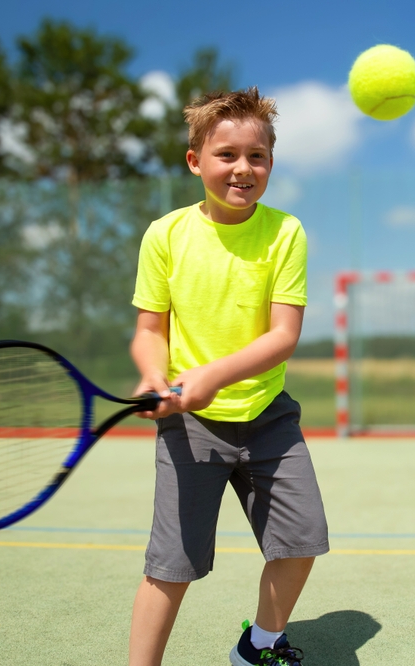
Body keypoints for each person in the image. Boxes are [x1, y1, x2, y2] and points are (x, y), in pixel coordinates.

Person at [127, 87, 328, 666]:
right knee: (173, 564)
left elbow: (282, 335)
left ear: (270, 162)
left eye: (257, 156)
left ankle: (258, 646)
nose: (243, 168)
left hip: (269, 417)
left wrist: (210, 374)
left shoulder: (285, 232)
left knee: (301, 540)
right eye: (226, 155)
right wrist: (152, 375)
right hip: (191, 428)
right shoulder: (164, 235)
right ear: (195, 161)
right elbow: (149, 330)